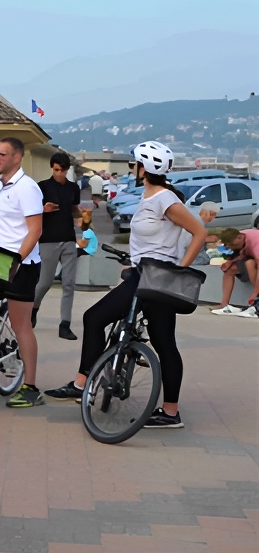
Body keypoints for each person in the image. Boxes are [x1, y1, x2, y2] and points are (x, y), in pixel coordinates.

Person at [45, 141, 205, 427]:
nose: (132, 168)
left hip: (154, 277)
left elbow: (199, 232)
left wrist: (178, 270)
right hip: (144, 273)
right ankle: (170, 413)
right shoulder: (151, 196)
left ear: (143, 168)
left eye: (134, 164)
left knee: (94, 318)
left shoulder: (165, 199)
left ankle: (81, 384)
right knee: (164, 343)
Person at [0, 137, 46, 408]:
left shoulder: (27, 188)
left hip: (21, 265)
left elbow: (35, 230)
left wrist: (17, 260)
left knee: (21, 325)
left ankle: (31, 387)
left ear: (17, 157)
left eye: (3, 154)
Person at [32, 152, 83, 341]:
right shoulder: (42, 187)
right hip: (48, 240)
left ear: (67, 170)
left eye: (62, 170)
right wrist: (43, 209)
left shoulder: (73, 188)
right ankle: (33, 308)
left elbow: (74, 209)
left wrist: (83, 220)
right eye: (56, 170)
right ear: (52, 168)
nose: (59, 173)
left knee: (69, 284)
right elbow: (31, 212)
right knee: (45, 282)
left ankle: (65, 324)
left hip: (68, 239)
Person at [212, 227, 259, 317]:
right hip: (250, 256)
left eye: (233, 246)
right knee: (230, 268)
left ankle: (256, 299)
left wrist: (255, 292)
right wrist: (230, 261)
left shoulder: (256, 241)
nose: (232, 248)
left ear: (240, 238)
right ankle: (224, 304)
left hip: (255, 258)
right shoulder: (235, 237)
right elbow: (240, 253)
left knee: (250, 263)